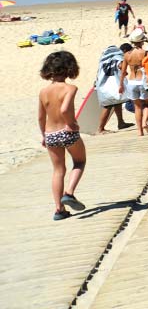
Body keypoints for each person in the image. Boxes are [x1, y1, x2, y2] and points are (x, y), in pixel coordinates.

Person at [38, 51, 87, 221]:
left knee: (58, 170)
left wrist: (44, 135)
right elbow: (65, 109)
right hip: (67, 132)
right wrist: (72, 124)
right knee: (80, 161)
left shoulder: (43, 92)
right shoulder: (70, 88)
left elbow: (40, 117)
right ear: (69, 69)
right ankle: (69, 193)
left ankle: (59, 209)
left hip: (50, 134)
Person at [119, 32, 148, 136]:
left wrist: (121, 85)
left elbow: (123, 72)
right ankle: (144, 123)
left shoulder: (126, 55)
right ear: (142, 41)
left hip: (131, 82)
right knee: (147, 104)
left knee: (137, 107)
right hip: (143, 81)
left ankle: (140, 131)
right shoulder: (146, 53)